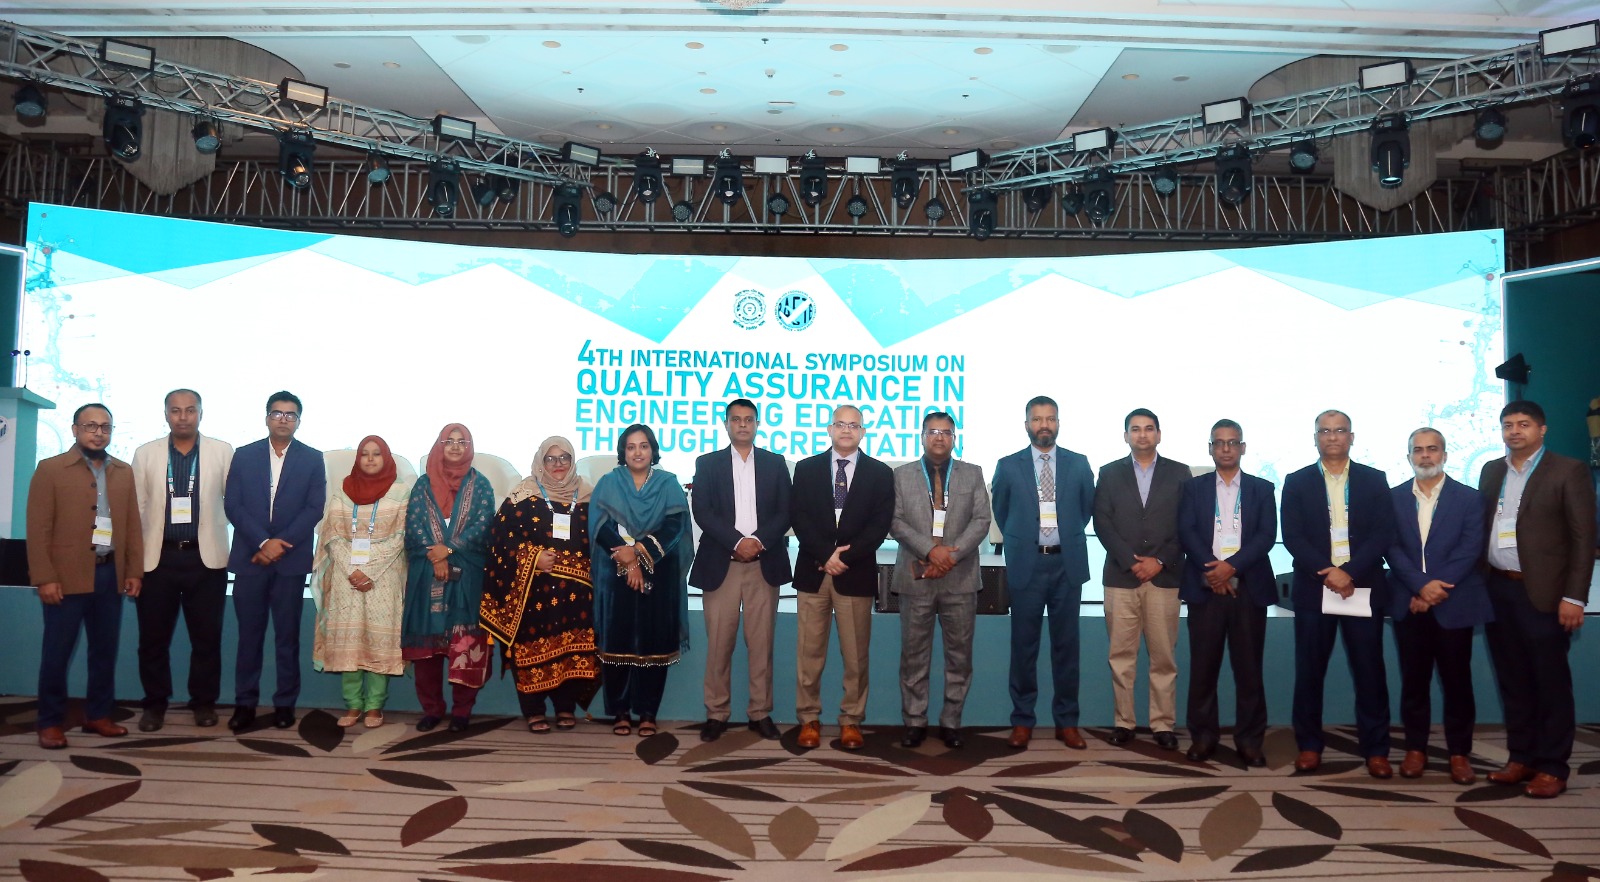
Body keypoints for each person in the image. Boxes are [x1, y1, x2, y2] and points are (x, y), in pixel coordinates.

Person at [1480, 400, 1596, 798]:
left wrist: (1574, 597)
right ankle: (1521, 757)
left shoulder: (1568, 470)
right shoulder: (1491, 470)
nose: (1515, 431)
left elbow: (1583, 538)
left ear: (1542, 429)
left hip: (1545, 594)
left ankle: (1552, 766)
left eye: (1524, 424)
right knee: (1512, 680)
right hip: (1498, 589)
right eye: (1508, 425)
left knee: (1550, 683)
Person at [1280, 409, 1396, 777]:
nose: (1332, 437)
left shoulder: (1374, 480)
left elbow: (1383, 533)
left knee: (1370, 672)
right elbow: (1293, 535)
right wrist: (1329, 572)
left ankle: (1376, 750)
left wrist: (1349, 572)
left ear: (1351, 437)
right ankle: (1309, 746)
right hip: (1315, 589)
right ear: (1315, 438)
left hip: (1360, 586)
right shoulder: (1296, 481)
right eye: (1325, 431)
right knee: (1309, 672)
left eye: (1340, 430)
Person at [28, 403, 144, 749]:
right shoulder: (51, 469)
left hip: (109, 574)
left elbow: (131, 527)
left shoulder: (123, 471)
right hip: (64, 578)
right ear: (75, 429)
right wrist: (44, 577)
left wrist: (133, 570)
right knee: (57, 654)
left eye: (105, 427)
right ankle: (50, 721)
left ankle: (98, 715)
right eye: (91, 426)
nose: (98, 433)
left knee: (104, 652)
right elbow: (38, 528)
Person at [789, 405, 895, 751]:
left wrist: (843, 558)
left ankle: (851, 720)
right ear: (829, 429)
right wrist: (826, 555)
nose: (846, 430)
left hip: (855, 572)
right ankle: (808, 718)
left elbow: (879, 525)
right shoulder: (806, 469)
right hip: (814, 572)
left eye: (854, 425)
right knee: (809, 653)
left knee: (855, 656)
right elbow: (798, 517)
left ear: (863, 432)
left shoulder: (880, 473)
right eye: (840, 424)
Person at [1386, 427, 1489, 784]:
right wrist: (1420, 586)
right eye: (1418, 450)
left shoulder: (1470, 498)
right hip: (1409, 602)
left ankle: (1459, 753)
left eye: (1432, 449)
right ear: (1409, 457)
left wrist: (1434, 589)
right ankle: (1416, 749)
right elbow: (1391, 547)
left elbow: (1470, 548)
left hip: (1453, 603)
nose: (1425, 456)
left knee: (1457, 682)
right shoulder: (1393, 498)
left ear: (1445, 455)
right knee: (1414, 681)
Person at [991, 395, 1094, 751]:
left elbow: (1084, 510)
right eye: (1037, 419)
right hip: (1027, 566)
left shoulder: (1079, 464)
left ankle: (1067, 722)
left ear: (1058, 423)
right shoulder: (1008, 466)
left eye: (1050, 418)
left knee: (1067, 648)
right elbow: (1002, 511)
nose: (1044, 425)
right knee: (1024, 648)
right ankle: (1022, 721)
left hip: (1066, 566)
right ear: (1027, 425)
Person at [689, 398, 793, 742]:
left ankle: (760, 712)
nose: (743, 425)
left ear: (757, 424)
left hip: (764, 564)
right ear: (726, 424)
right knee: (719, 645)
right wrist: (737, 542)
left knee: (761, 645)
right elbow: (703, 511)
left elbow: (785, 511)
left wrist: (758, 541)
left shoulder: (775, 463)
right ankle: (716, 713)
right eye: (736, 419)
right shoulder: (708, 463)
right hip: (723, 565)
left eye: (749, 419)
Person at [480, 436, 600, 734]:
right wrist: (532, 558)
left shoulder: (590, 496)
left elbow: (603, 538)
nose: (558, 464)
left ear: (573, 461)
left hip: (577, 596)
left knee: (572, 648)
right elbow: (500, 539)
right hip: (532, 593)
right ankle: (533, 710)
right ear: (540, 461)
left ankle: (565, 707)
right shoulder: (522, 495)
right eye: (551, 458)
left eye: (564, 458)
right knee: (530, 648)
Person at [129, 389, 233, 731]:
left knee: (206, 640)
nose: (183, 416)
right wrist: (133, 562)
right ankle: (154, 705)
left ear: (201, 413)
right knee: (152, 641)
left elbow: (234, 503)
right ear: (166, 414)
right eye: (176, 410)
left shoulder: (222, 451)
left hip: (206, 560)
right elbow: (136, 510)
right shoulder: (145, 453)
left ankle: (203, 703)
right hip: (158, 560)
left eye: (190, 410)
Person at [224, 391, 327, 731]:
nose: (283, 419)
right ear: (266, 417)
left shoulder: (312, 458)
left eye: (290, 415)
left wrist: (280, 544)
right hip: (251, 559)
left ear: (298, 421)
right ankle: (245, 705)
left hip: (290, 563)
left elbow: (314, 507)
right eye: (277, 413)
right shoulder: (244, 455)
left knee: (287, 638)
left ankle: (285, 704)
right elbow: (233, 505)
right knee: (249, 639)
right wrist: (263, 542)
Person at [1177, 419, 1277, 765]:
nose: (1225, 448)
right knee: (1203, 669)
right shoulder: (1194, 488)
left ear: (1243, 448)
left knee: (1249, 671)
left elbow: (1266, 535)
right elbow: (1187, 531)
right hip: (1205, 588)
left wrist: (1231, 567)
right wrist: (1214, 570)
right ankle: (1203, 737)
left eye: (1232, 442)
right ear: (1210, 449)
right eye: (1218, 443)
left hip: (1248, 589)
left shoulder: (1262, 489)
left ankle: (1249, 740)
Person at [890, 411, 992, 750]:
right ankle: (914, 721)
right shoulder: (901, 475)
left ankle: (951, 721)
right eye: (933, 431)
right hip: (915, 577)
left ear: (954, 438)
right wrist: (930, 550)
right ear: (921, 436)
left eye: (946, 432)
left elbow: (981, 520)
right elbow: (895, 521)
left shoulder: (972, 473)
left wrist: (951, 555)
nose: (939, 437)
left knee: (959, 657)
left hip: (960, 578)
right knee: (913, 656)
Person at [1092, 408, 1189, 751]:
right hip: (1122, 577)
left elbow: (1187, 524)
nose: (1142, 435)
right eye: (1135, 429)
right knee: (1121, 656)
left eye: (1149, 429)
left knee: (1163, 658)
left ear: (1159, 434)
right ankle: (1124, 722)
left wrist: (1159, 560)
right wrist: (1130, 561)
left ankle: (1163, 724)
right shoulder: (1109, 473)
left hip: (1165, 577)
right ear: (1126, 436)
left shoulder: (1180, 473)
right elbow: (1102, 521)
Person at [590, 424, 692, 737]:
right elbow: (600, 525)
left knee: (654, 642)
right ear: (623, 451)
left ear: (653, 450)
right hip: (615, 574)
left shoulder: (668, 483)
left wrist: (638, 552)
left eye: (644, 446)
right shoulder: (608, 482)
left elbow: (675, 526)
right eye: (631, 446)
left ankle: (648, 712)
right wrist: (627, 558)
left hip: (659, 573)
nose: (638, 452)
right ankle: (620, 712)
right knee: (617, 641)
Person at [402, 423, 496, 732]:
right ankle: (432, 710)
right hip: (427, 573)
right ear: (439, 445)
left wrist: (450, 548)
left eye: (461, 441)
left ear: (469, 447)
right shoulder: (422, 485)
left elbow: (483, 525)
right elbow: (413, 525)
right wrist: (436, 555)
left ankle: (461, 711)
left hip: (467, 576)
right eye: (449, 441)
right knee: (427, 650)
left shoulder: (480, 486)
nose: (455, 446)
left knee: (465, 645)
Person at [311, 436, 410, 728]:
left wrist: (370, 570)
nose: (370, 459)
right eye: (365, 454)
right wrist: (352, 569)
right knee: (349, 642)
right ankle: (353, 705)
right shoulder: (342, 490)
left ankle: (375, 707)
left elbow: (402, 536)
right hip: (346, 578)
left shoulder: (401, 492)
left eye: (376, 454)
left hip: (384, 577)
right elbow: (332, 534)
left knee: (380, 641)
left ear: (386, 458)